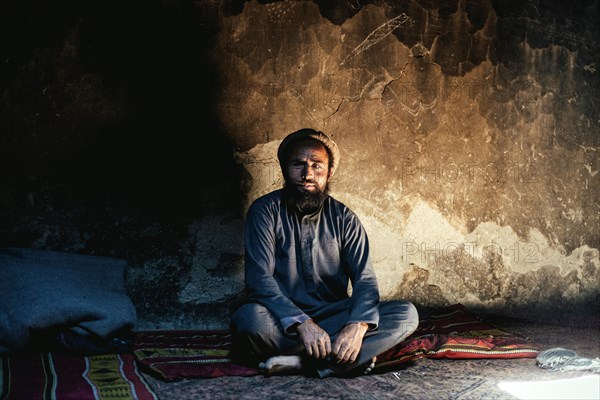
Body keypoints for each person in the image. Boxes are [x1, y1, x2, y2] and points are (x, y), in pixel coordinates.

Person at [230, 128, 418, 378]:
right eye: (299, 164)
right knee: (249, 320)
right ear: (285, 169)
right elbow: (259, 280)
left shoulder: (345, 219)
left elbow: (365, 280)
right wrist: (302, 323)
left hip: (334, 315)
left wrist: (358, 326)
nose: (308, 174)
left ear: (329, 173)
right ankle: (343, 359)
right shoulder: (264, 211)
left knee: (406, 314)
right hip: (283, 321)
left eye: (317, 166)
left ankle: (303, 364)